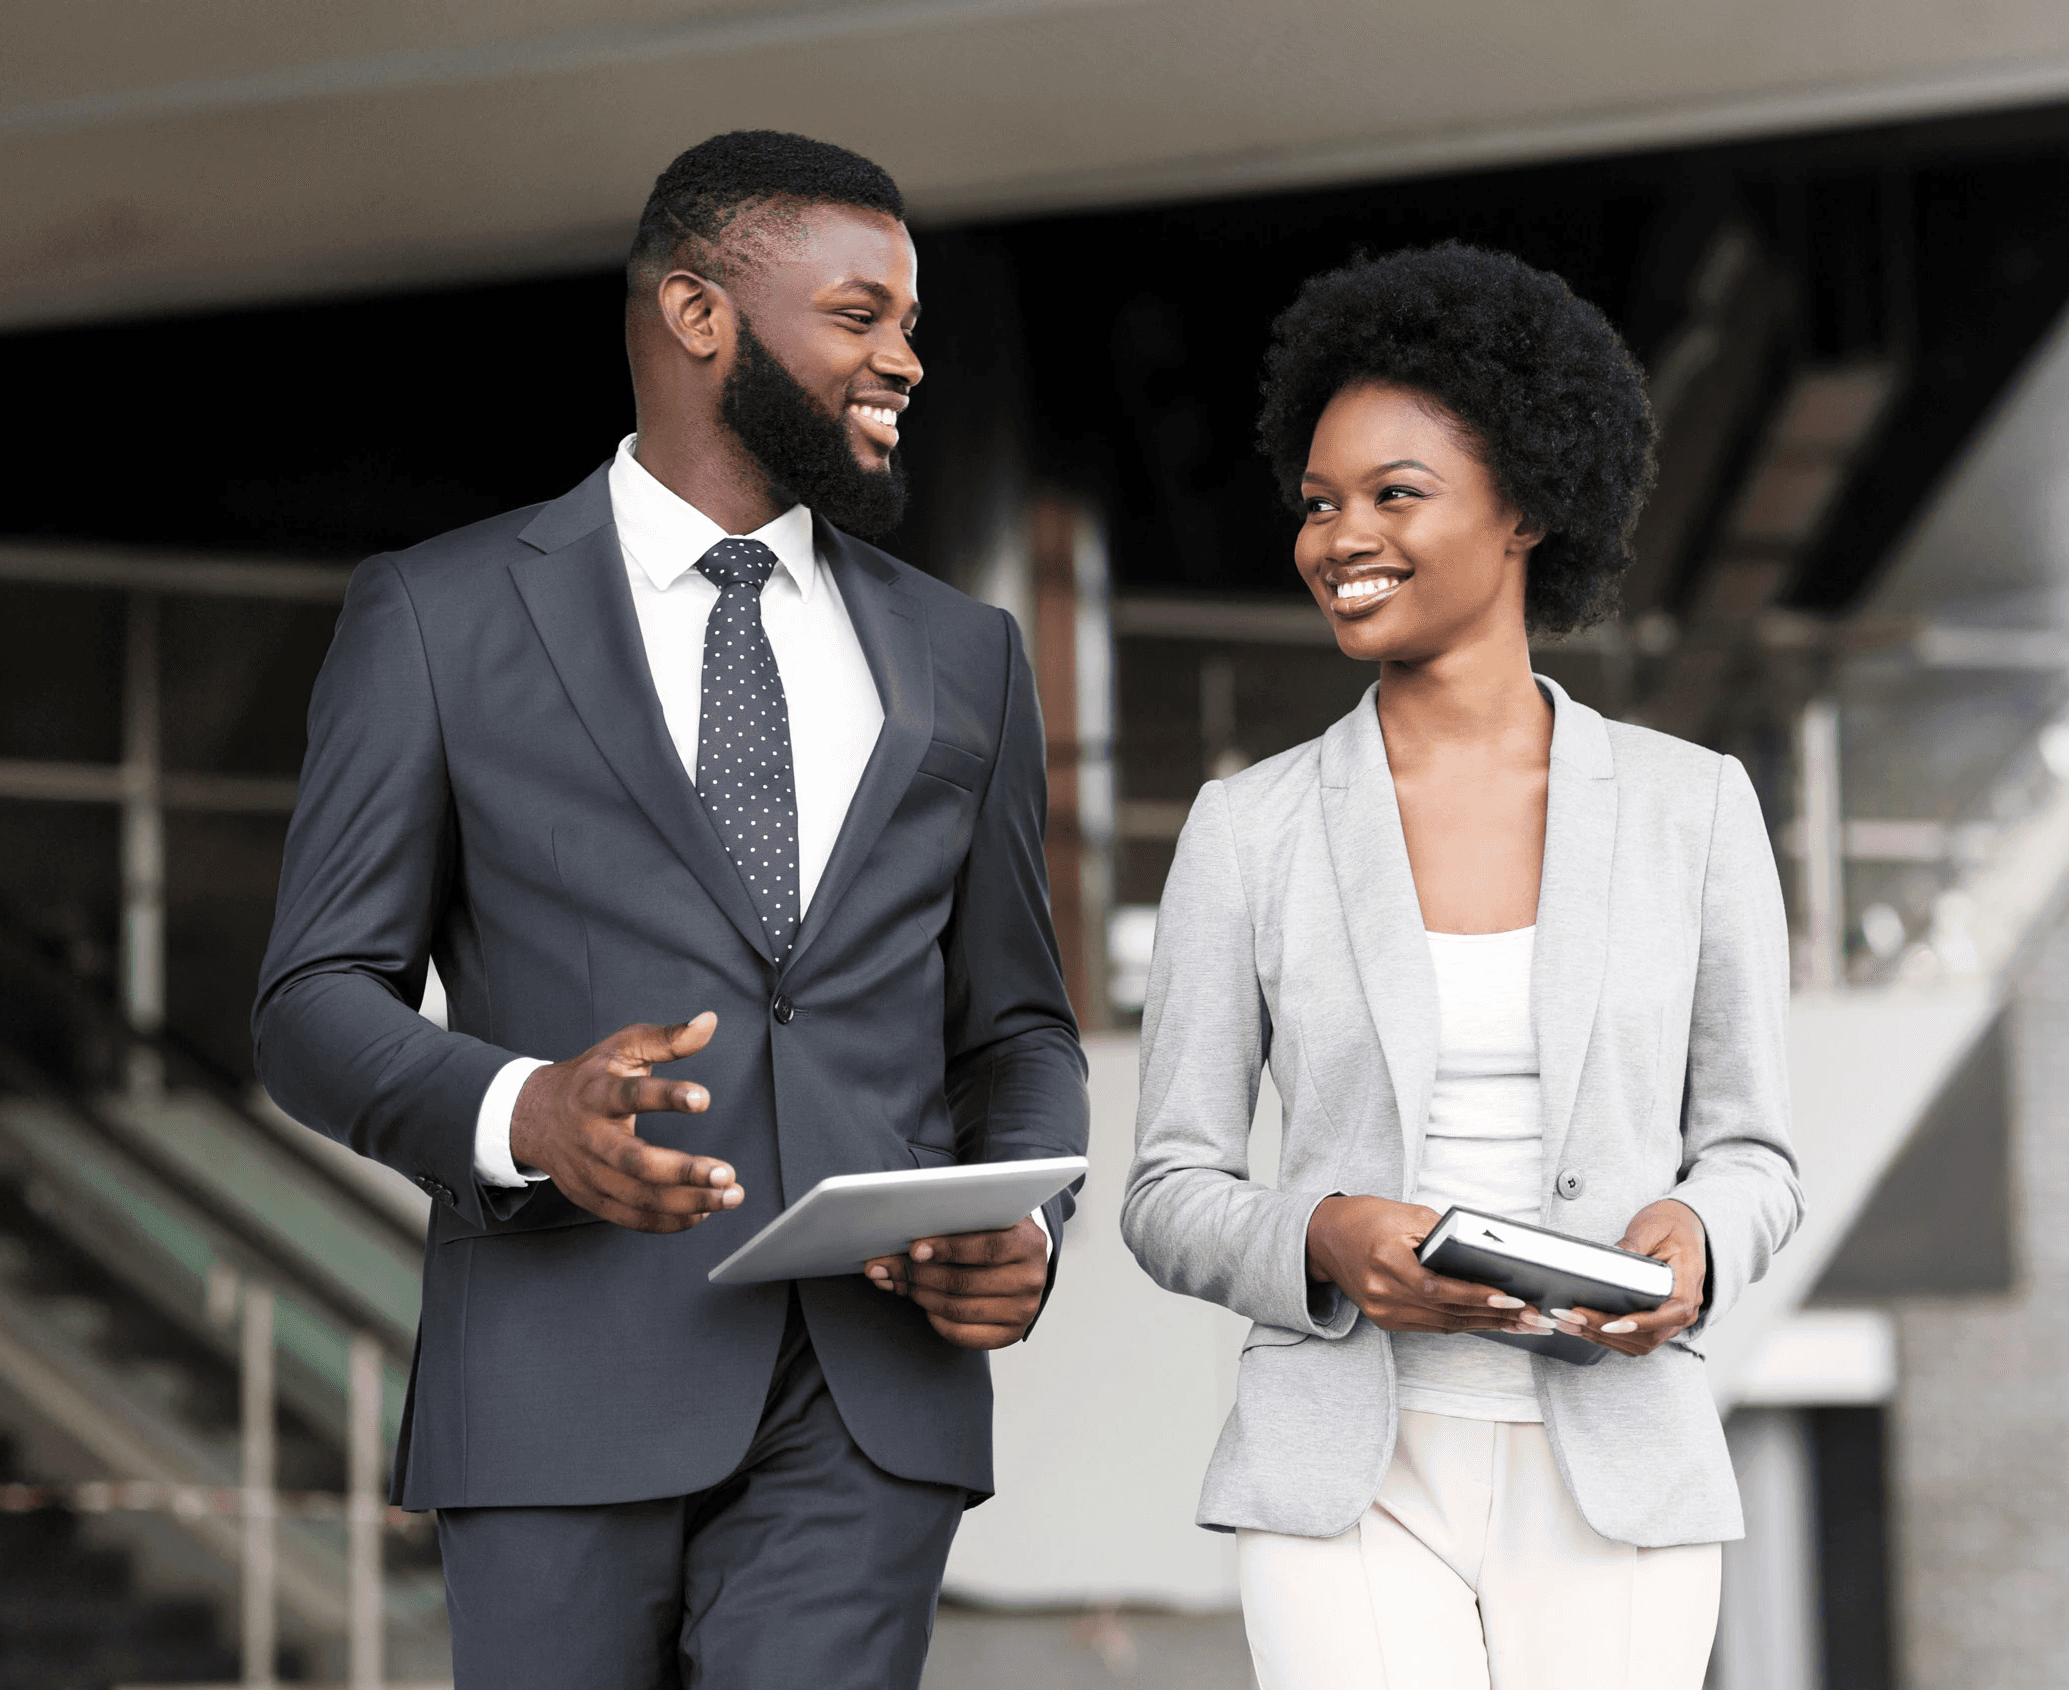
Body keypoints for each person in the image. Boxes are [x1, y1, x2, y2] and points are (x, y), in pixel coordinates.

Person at [252, 131, 1088, 1689]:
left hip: (870, 1405)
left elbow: (1019, 1021)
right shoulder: (437, 617)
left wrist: (1025, 1216)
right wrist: (525, 1108)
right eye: (861, 314)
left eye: (913, 320)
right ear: (702, 316)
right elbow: (310, 1000)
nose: (907, 357)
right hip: (555, 1392)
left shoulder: (964, 652)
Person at [1120, 243, 1803, 1690]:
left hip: (1616, 1469)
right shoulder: (1248, 831)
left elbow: (1755, 1151)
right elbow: (1170, 1189)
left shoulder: (1696, 810)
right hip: (1342, 1472)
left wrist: (1695, 1233)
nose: (1338, 536)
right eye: (1318, 502)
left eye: (1394, 494)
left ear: (1529, 510)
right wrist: (1325, 1235)